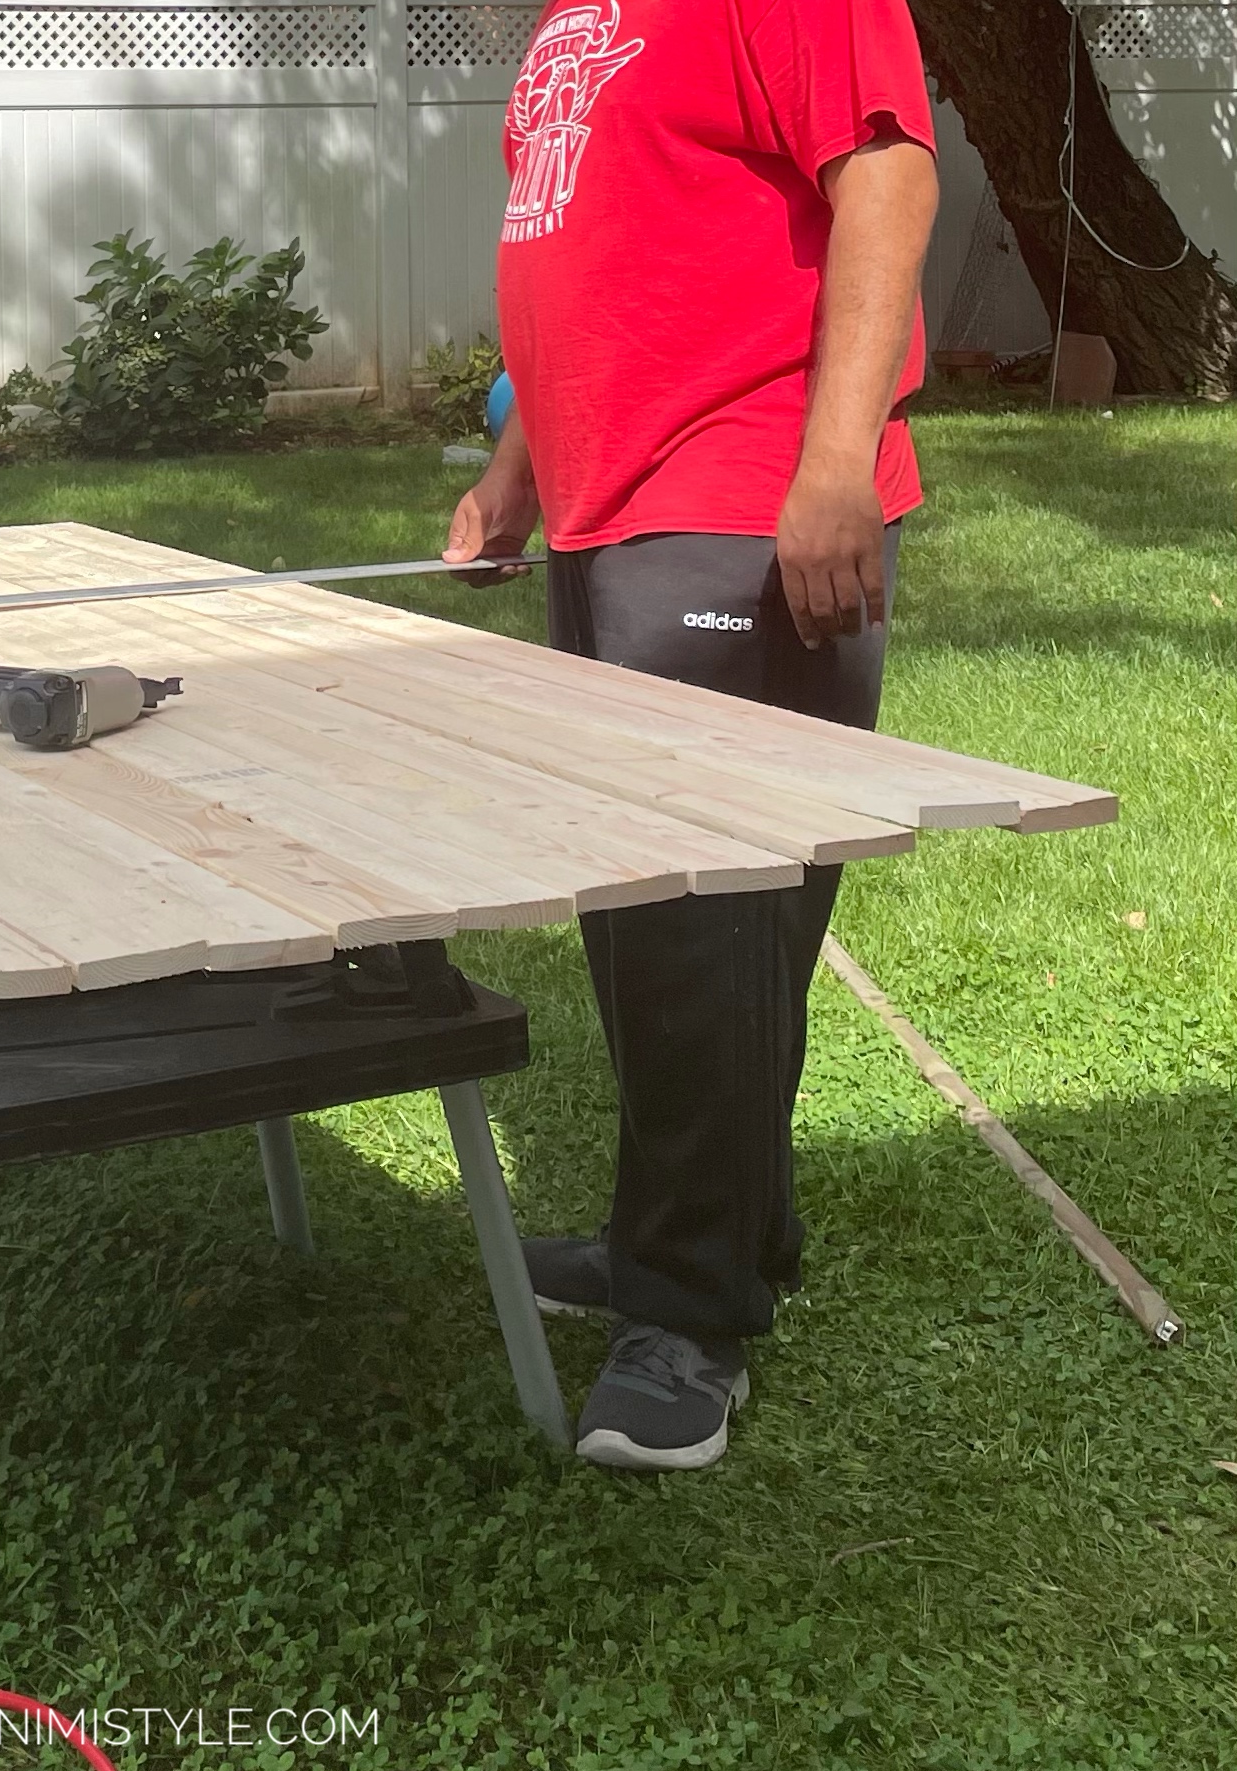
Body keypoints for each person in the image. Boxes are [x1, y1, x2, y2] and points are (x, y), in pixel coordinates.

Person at [443, 0, 939, 1469]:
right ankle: (712, 1230)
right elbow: (590, 271)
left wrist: (838, 460)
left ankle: (688, 1318)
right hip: (608, 506)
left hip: (739, 494)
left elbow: (889, 173)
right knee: (646, 905)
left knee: (706, 917)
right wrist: (518, 470)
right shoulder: (574, 25)